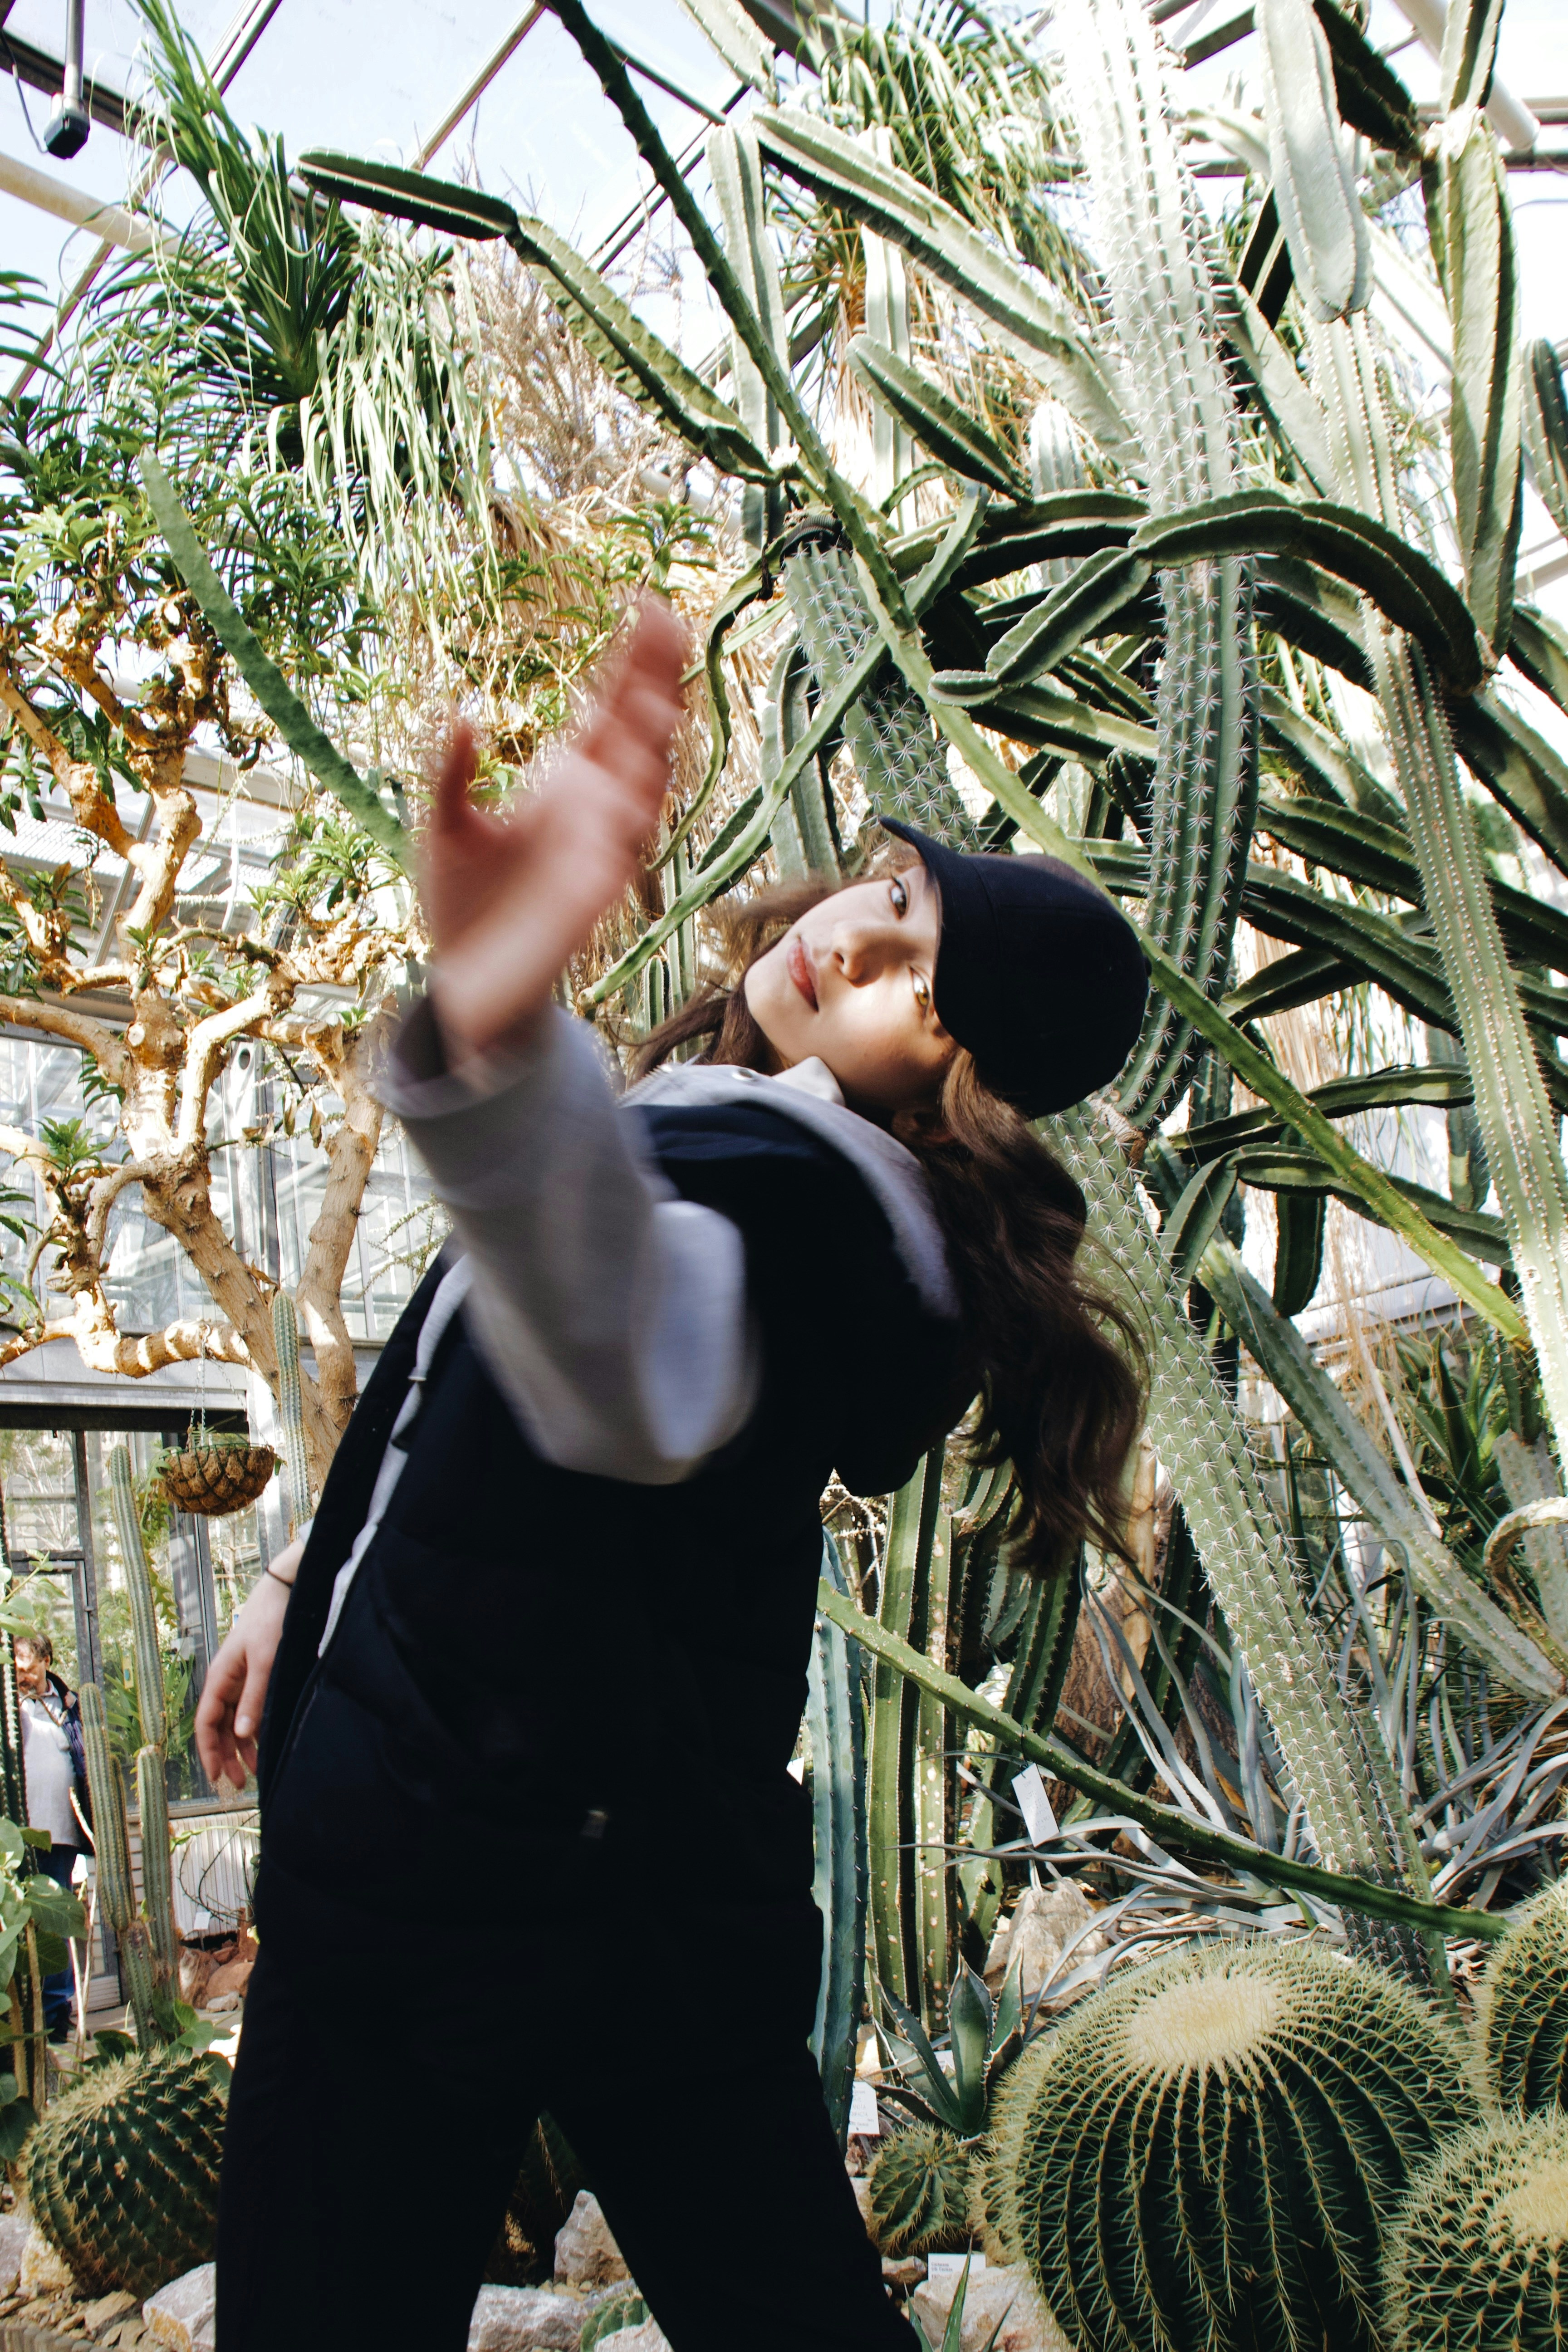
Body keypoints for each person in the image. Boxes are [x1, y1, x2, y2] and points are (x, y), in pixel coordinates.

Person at [195, 599, 1150, 2352]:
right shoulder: (739, 1115)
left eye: (914, 977)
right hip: (631, 1854)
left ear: (961, 1089)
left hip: (459, 1859)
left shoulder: (844, 1232)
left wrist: (491, 1032)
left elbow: (625, 1355)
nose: (853, 938)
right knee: (777, 2296)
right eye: (891, 890)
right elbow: (454, 1359)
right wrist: (292, 1585)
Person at [13, 1632, 87, 2041]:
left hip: (60, 1829)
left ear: (45, 1662)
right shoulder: (11, 1704)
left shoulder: (70, 1704)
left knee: (55, 1919)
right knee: (23, 1920)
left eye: (27, 1669)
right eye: (16, 1670)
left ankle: (57, 2010)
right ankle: (28, 2013)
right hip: (20, 1832)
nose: (22, 1676)